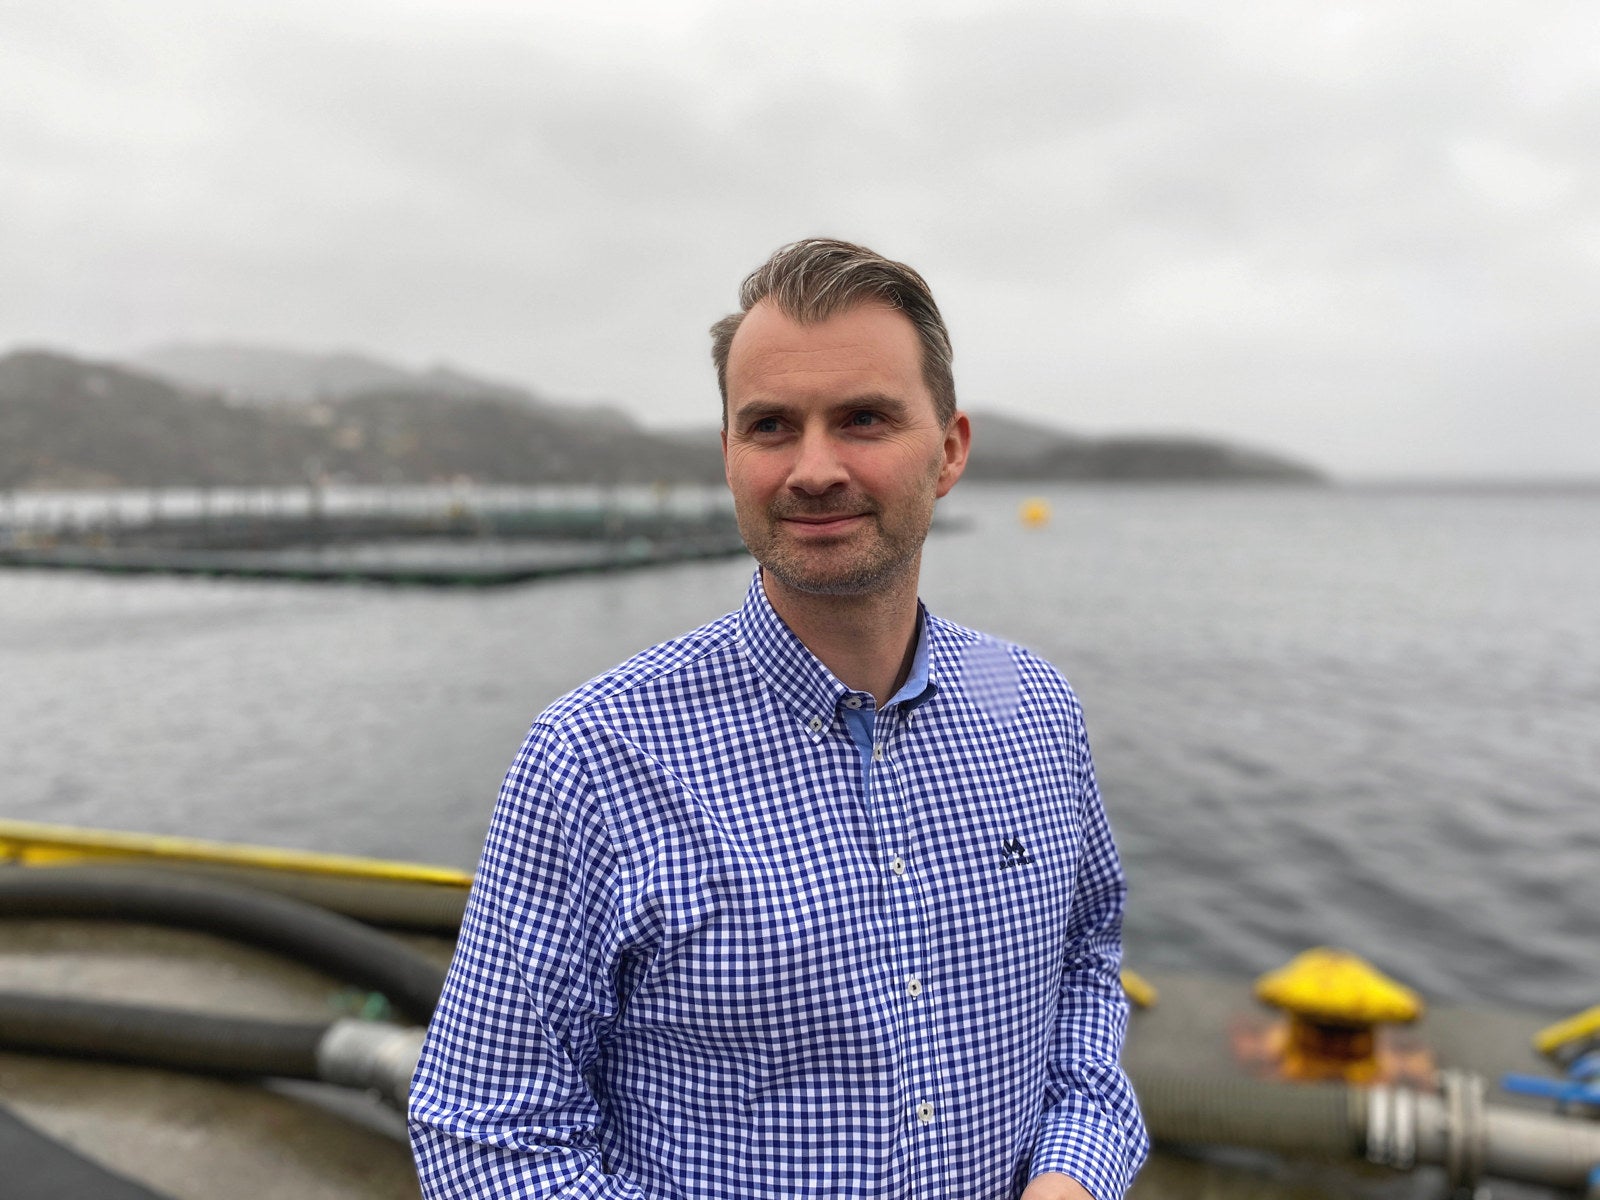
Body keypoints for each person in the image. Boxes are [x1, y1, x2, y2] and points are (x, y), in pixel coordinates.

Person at [409, 238, 1148, 1199]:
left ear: (950, 450)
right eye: (770, 426)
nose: (814, 468)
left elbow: (1086, 964)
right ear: (729, 456)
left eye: (864, 419)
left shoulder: (1037, 710)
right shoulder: (593, 759)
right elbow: (487, 1135)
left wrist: (1073, 1171)